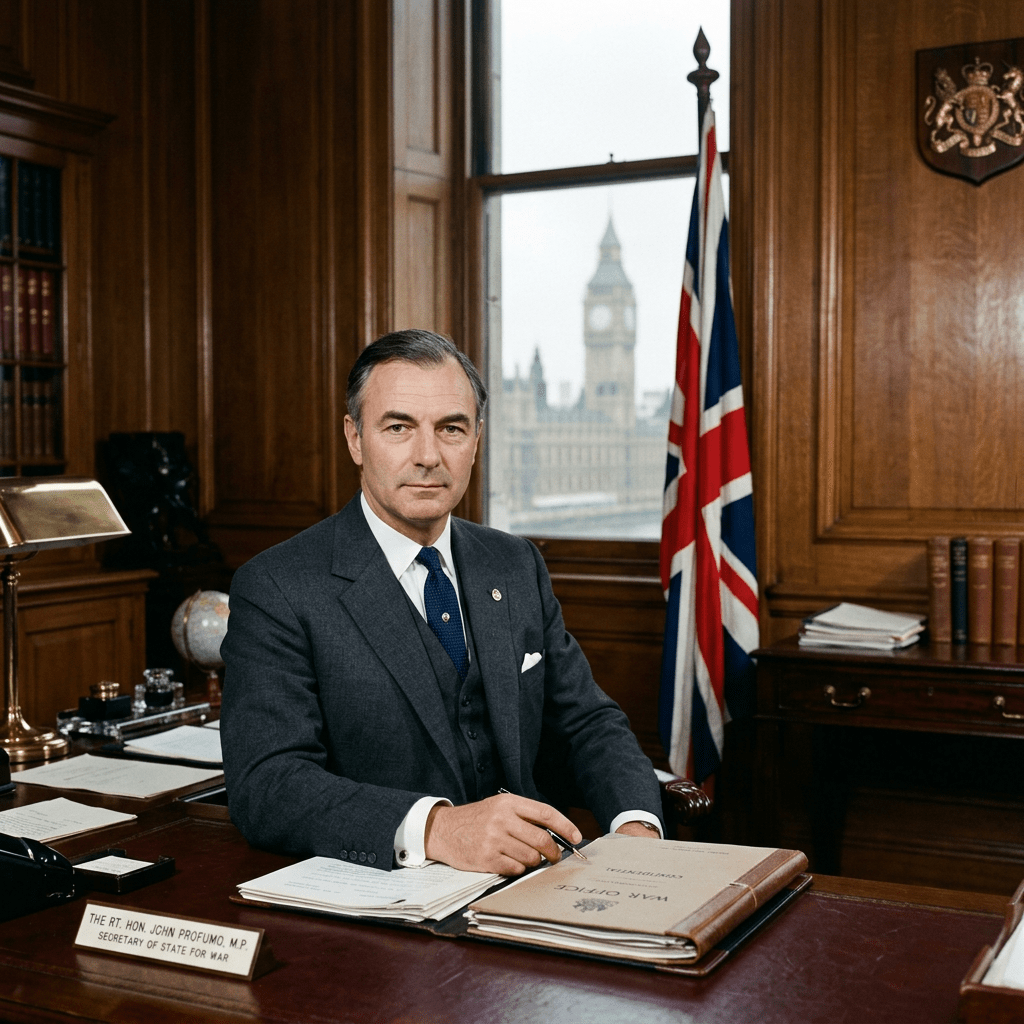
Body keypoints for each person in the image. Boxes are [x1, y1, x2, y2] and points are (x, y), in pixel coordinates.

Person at [221, 329, 663, 874]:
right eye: (399, 427)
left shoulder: (515, 564)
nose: (428, 456)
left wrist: (635, 826)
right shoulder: (279, 587)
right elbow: (267, 785)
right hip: (385, 906)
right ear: (356, 439)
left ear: (477, 440)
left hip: (534, 887)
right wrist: (437, 829)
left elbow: (588, 723)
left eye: (451, 429)